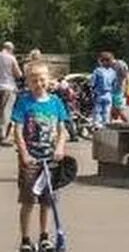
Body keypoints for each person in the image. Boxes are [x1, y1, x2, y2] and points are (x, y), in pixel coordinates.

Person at [11, 60, 68, 252]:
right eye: (34, 80)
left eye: (42, 79)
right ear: (27, 81)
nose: (38, 83)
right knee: (28, 201)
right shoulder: (24, 102)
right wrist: (24, 154)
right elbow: (18, 131)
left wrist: (60, 147)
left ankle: (44, 236)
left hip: (51, 160)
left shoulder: (56, 102)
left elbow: (62, 129)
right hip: (31, 161)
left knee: (48, 201)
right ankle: (26, 239)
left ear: (49, 80)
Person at [1, 40, 23, 145]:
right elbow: (18, 74)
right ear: (11, 49)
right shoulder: (11, 58)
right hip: (8, 87)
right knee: (6, 111)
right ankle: (3, 136)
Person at [90, 52, 117, 127]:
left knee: (97, 112)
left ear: (103, 61)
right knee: (106, 112)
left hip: (98, 94)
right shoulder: (113, 72)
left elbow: (92, 83)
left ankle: (98, 127)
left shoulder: (97, 71)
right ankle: (105, 126)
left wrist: (92, 92)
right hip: (109, 94)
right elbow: (114, 84)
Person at [110, 55, 129, 123]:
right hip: (111, 90)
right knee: (112, 111)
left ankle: (127, 123)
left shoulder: (120, 64)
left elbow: (127, 77)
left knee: (119, 111)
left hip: (119, 90)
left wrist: (126, 89)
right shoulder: (106, 66)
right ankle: (108, 126)